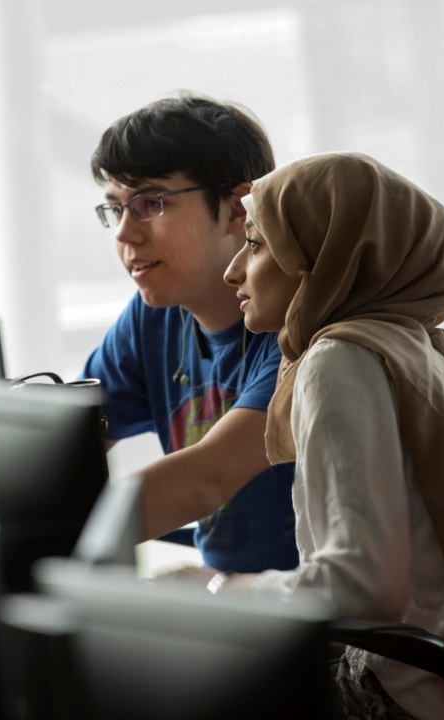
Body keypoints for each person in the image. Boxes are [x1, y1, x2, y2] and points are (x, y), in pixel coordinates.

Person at [218, 152, 444, 719]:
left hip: (417, 689)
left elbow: (357, 588)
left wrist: (232, 592)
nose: (234, 270)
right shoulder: (432, 349)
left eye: (256, 243)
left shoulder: (339, 360)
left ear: (325, 256)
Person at [81, 93, 299, 574]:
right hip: (235, 599)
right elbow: (72, 438)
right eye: (115, 209)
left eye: (150, 203)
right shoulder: (154, 317)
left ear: (238, 209)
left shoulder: (300, 326)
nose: (124, 234)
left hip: (326, 621)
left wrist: (60, 528)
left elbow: (209, 475)